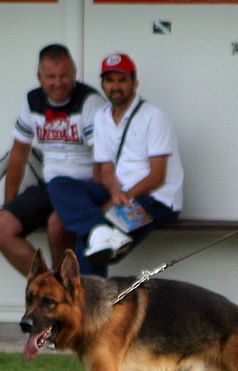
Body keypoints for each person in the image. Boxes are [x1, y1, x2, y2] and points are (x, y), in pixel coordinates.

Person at [47, 53, 184, 276]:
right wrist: (114, 194)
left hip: (156, 200)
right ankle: (96, 228)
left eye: (122, 80)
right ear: (102, 84)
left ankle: (91, 307)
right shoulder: (101, 116)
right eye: (110, 81)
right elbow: (105, 168)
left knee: (90, 250)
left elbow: (157, 176)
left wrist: (122, 198)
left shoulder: (154, 116)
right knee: (58, 184)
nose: (115, 86)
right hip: (120, 194)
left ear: (134, 83)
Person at [0, 44, 105, 276]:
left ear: (74, 73)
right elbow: (18, 154)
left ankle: (68, 294)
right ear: (39, 77)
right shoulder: (32, 100)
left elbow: (101, 159)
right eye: (51, 76)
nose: (58, 82)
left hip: (80, 187)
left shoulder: (90, 101)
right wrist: (8, 204)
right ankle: (50, 285)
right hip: (50, 185)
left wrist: (97, 197)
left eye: (64, 75)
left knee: (56, 226)